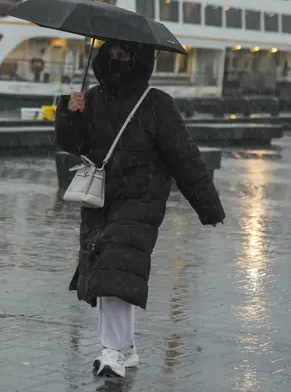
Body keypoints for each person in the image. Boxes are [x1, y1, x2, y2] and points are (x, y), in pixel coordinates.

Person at [55, 40, 225, 378]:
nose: (119, 61)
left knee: (115, 265)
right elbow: (73, 144)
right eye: (113, 54)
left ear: (142, 61)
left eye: (127, 55)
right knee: (111, 273)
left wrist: (209, 206)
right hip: (100, 201)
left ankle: (111, 352)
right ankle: (125, 349)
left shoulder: (157, 105)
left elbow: (184, 157)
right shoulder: (93, 99)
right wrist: (68, 112)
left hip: (141, 201)